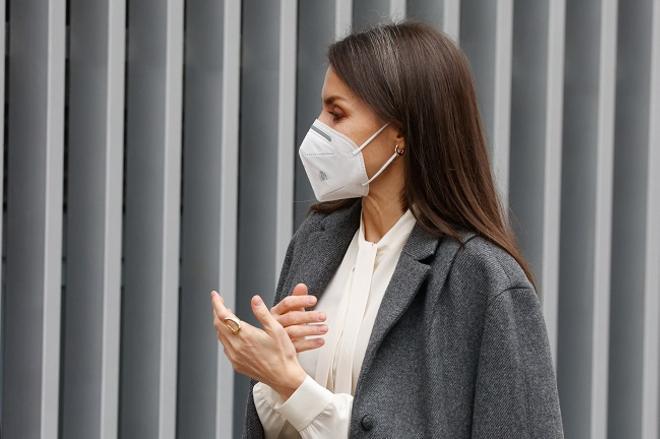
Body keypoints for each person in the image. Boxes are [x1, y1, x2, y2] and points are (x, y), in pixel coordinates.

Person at [211, 20, 564, 438]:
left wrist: (293, 387)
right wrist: (271, 374)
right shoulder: (317, 240)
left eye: (337, 113)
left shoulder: (482, 281)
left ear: (401, 131)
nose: (318, 129)